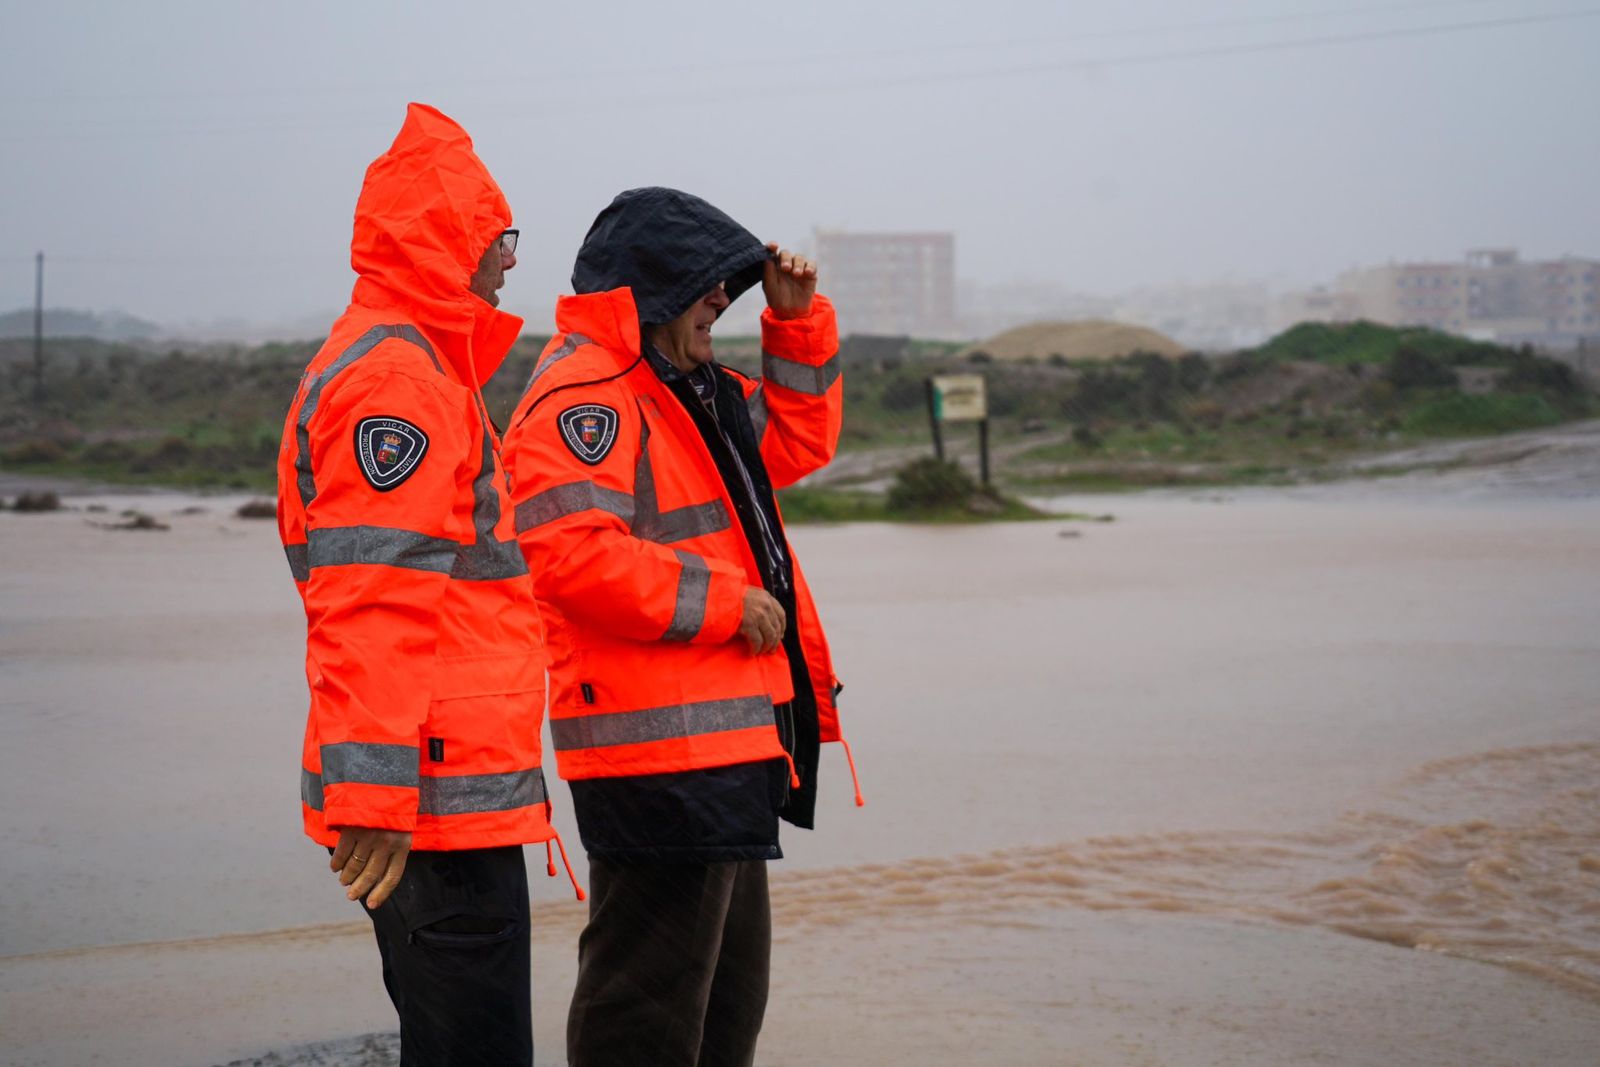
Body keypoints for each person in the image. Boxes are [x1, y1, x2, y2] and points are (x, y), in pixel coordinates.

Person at [502, 186, 862, 1067]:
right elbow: (568, 555)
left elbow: (795, 446)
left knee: (726, 1016)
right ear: (658, 289)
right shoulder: (584, 395)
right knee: (645, 1020)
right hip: (658, 763)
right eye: (710, 290)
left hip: (730, 752)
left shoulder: (693, 387)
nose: (721, 303)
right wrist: (724, 601)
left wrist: (795, 325)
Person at [275, 102, 576, 1067]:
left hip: (438, 780)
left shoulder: (416, 370)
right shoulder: (397, 384)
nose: (512, 260)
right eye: (500, 235)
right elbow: (373, 595)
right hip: (430, 795)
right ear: (446, 241)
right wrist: (372, 792)